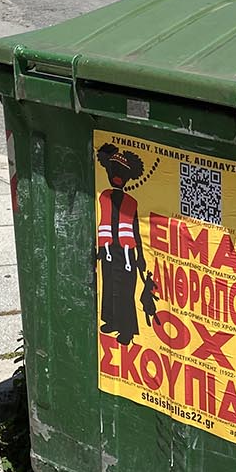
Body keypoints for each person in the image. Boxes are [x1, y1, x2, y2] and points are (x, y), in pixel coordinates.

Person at [95, 142, 152, 346]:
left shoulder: (131, 202)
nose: (117, 176)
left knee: (126, 290)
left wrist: (141, 257)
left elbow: (136, 230)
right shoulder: (104, 196)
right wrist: (98, 250)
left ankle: (126, 330)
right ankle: (111, 320)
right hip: (108, 250)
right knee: (109, 285)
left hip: (127, 253)